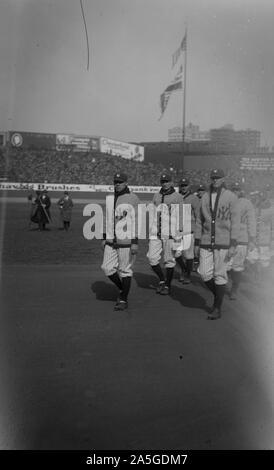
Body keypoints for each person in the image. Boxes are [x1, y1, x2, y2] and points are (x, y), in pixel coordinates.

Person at [194, 169, 240, 320]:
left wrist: (233, 243)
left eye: (218, 178)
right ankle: (218, 295)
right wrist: (197, 241)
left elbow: (235, 222)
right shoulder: (205, 197)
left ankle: (217, 307)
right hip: (207, 240)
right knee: (204, 273)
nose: (215, 180)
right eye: (213, 177)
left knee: (219, 275)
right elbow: (200, 221)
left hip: (224, 241)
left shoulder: (231, 197)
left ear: (223, 179)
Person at [101, 172, 139, 311]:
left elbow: (137, 220)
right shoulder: (110, 198)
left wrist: (135, 241)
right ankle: (123, 289)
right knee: (107, 267)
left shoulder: (132, 198)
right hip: (111, 240)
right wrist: (104, 238)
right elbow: (106, 219)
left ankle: (123, 299)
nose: (117, 184)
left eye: (120, 182)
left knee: (125, 270)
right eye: (115, 182)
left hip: (126, 241)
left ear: (126, 183)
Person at [147, 173, 184, 295]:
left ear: (171, 182)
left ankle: (167, 285)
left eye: (167, 181)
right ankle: (162, 280)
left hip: (170, 233)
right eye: (163, 181)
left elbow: (181, 216)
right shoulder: (156, 195)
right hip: (156, 233)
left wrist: (179, 235)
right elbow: (153, 213)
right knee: (152, 258)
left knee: (169, 260)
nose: (165, 183)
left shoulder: (177, 196)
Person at [226, 182, 256, 299]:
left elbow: (251, 221)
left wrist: (252, 239)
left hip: (241, 239)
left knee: (237, 266)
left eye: (237, 189)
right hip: (226, 239)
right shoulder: (227, 201)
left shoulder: (246, 203)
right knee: (225, 265)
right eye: (233, 189)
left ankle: (234, 289)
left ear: (241, 191)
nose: (235, 192)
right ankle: (224, 285)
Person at [175, 177, 200, 283]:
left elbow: (198, 215)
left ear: (189, 186)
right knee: (176, 254)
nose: (183, 187)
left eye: (185, 185)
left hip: (189, 229)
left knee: (189, 255)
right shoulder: (176, 197)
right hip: (177, 230)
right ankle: (184, 269)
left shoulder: (194, 199)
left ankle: (187, 275)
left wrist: (197, 231)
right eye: (182, 185)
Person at [246, 189, 274, 281]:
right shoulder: (254, 209)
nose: (262, 201)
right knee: (251, 258)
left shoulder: (271, 209)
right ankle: (257, 272)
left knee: (265, 261)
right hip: (254, 239)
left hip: (265, 239)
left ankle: (265, 279)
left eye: (263, 199)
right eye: (260, 198)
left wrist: (272, 240)